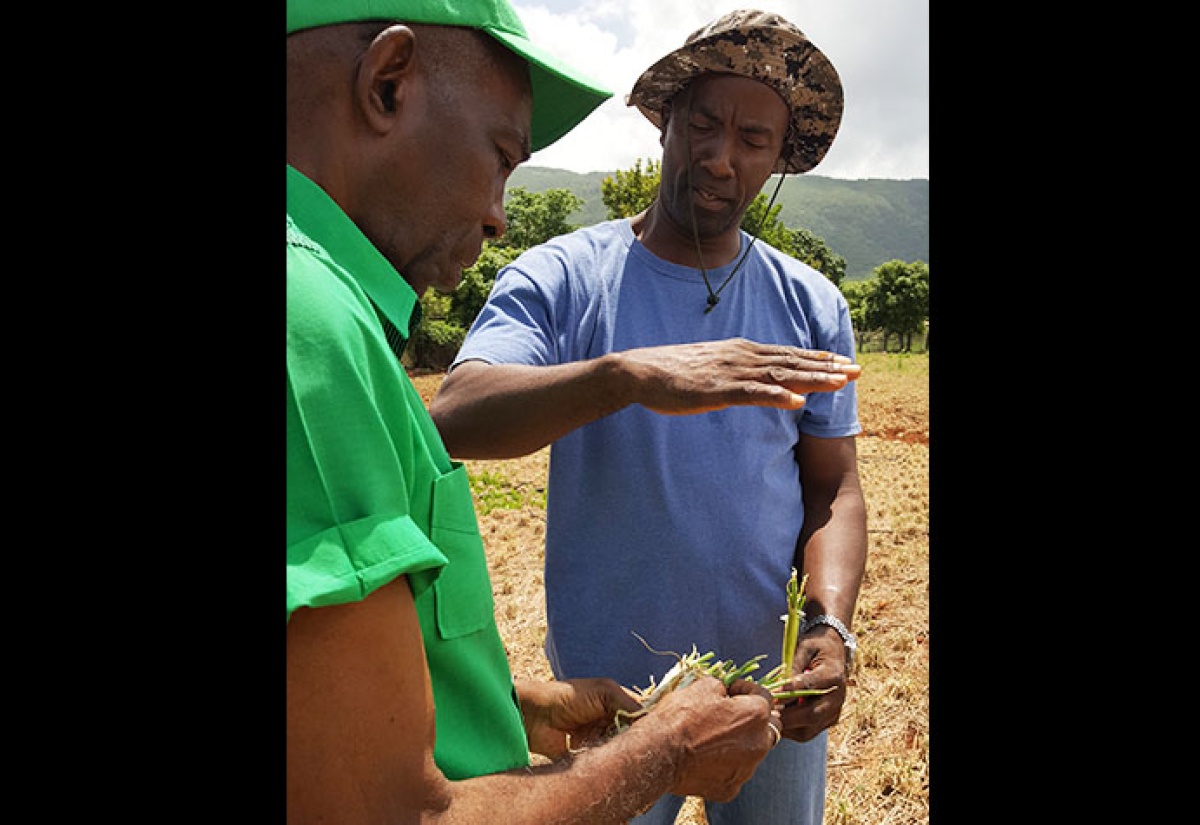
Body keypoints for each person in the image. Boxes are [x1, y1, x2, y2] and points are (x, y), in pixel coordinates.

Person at [286, 1, 789, 822]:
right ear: (387, 85)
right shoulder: (306, 321)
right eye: (500, 157)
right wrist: (662, 749)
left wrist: (509, 704)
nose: (497, 213)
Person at [430, 9, 867, 825]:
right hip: (614, 696)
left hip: (767, 687)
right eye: (702, 123)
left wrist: (831, 625)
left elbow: (834, 487)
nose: (720, 156)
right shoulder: (565, 275)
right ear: (666, 120)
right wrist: (628, 376)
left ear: (779, 160)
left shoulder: (811, 303)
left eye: (753, 140)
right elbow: (457, 415)